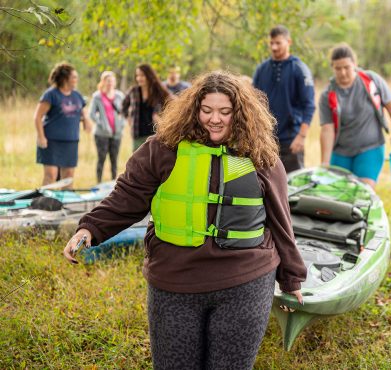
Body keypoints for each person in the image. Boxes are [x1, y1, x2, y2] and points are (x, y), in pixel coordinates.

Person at [63, 71, 306, 369]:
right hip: (174, 281)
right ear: (194, 109)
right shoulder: (162, 149)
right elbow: (127, 196)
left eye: (225, 112)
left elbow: (281, 220)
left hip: (244, 281)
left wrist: (292, 278)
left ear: (240, 114)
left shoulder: (260, 156)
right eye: (206, 110)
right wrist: (90, 228)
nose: (214, 119)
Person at [319, 43, 391, 188]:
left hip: (370, 147)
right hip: (341, 150)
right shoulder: (327, 95)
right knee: (337, 194)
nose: (343, 72)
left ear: (355, 64)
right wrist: (325, 163)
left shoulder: (371, 80)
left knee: (364, 191)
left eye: (347, 67)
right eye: (338, 68)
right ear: (332, 68)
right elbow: (327, 130)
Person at [253, 25, 315, 173]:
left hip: (291, 140)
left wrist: (301, 136)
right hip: (265, 140)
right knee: (265, 185)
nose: (274, 47)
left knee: (293, 186)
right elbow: (254, 102)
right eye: (271, 43)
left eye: (278, 43)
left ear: (289, 42)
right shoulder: (261, 69)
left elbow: (309, 106)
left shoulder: (299, 69)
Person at [34, 62, 91, 188]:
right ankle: (45, 203)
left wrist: (86, 120)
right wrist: (41, 137)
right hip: (51, 141)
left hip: (71, 141)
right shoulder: (51, 94)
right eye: (74, 77)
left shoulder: (77, 95)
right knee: (51, 175)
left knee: (68, 176)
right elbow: (37, 117)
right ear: (65, 79)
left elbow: (82, 110)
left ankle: (67, 205)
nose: (77, 80)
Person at [122, 63, 171, 151]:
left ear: (149, 75)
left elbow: (173, 105)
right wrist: (128, 118)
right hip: (138, 134)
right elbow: (123, 106)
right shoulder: (134, 91)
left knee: (153, 163)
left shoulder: (158, 91)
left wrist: (161, 119)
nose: (139, 78)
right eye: (137, 75)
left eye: (142, 75)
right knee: (137, 163)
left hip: (155, 135)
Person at [89, 71, 125, 183]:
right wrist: (102, 124)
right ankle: (98, 183)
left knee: (114, 160)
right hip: (101, 134)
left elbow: (124, 112)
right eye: (107, 81)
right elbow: (91, 114)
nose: (110, 83)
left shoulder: (119, 96)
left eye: (112, 81)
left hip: (117, 134)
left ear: (115, 82)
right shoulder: (97, 96)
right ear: (103, 82)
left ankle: (114, 184)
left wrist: (122, 124)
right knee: (102, 159)